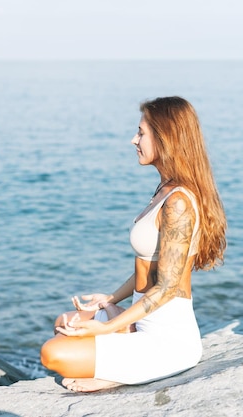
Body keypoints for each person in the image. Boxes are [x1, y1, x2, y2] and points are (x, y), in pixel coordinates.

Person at [40, 96, 227, 392]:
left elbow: (166, 288)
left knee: (53, 354)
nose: (133, 139)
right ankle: (125, 348)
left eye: (141, 132)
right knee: (65, 321)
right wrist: (111, 299)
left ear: (165, 138)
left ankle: (121, 371)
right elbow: (149, 264)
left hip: (168, 339)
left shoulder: (179, 203)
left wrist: (107, 326)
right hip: (141, 320)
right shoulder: (165, 189)